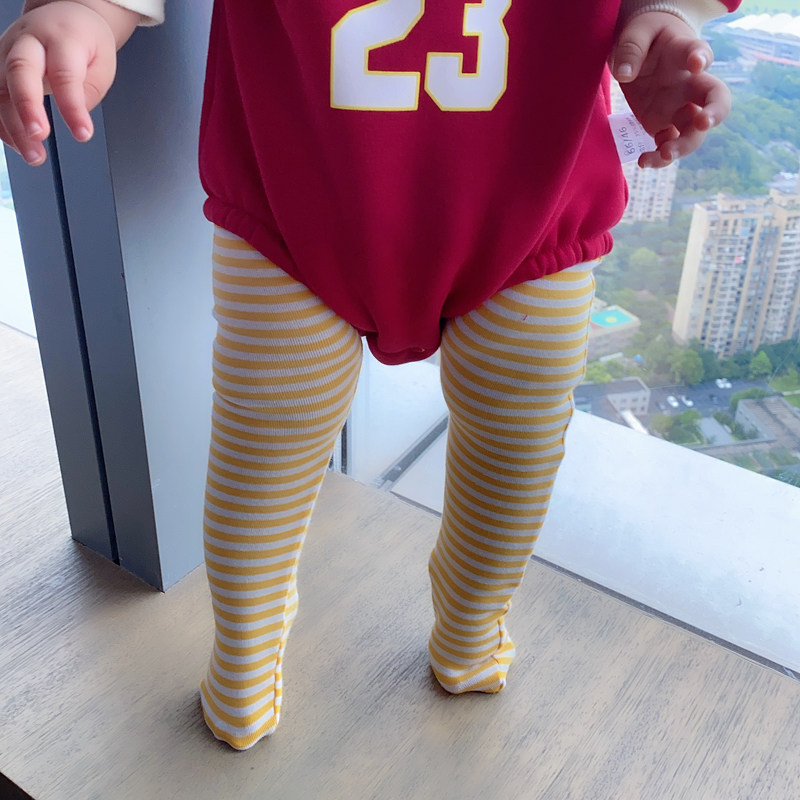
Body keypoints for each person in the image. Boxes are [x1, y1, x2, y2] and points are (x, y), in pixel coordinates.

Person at [0, 0, 740, 750]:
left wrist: (664, 12)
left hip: (531, 182)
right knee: (265, 445)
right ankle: (246, 651)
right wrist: (88, 9)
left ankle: (472, 620)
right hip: (295, 175)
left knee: (514, 448)